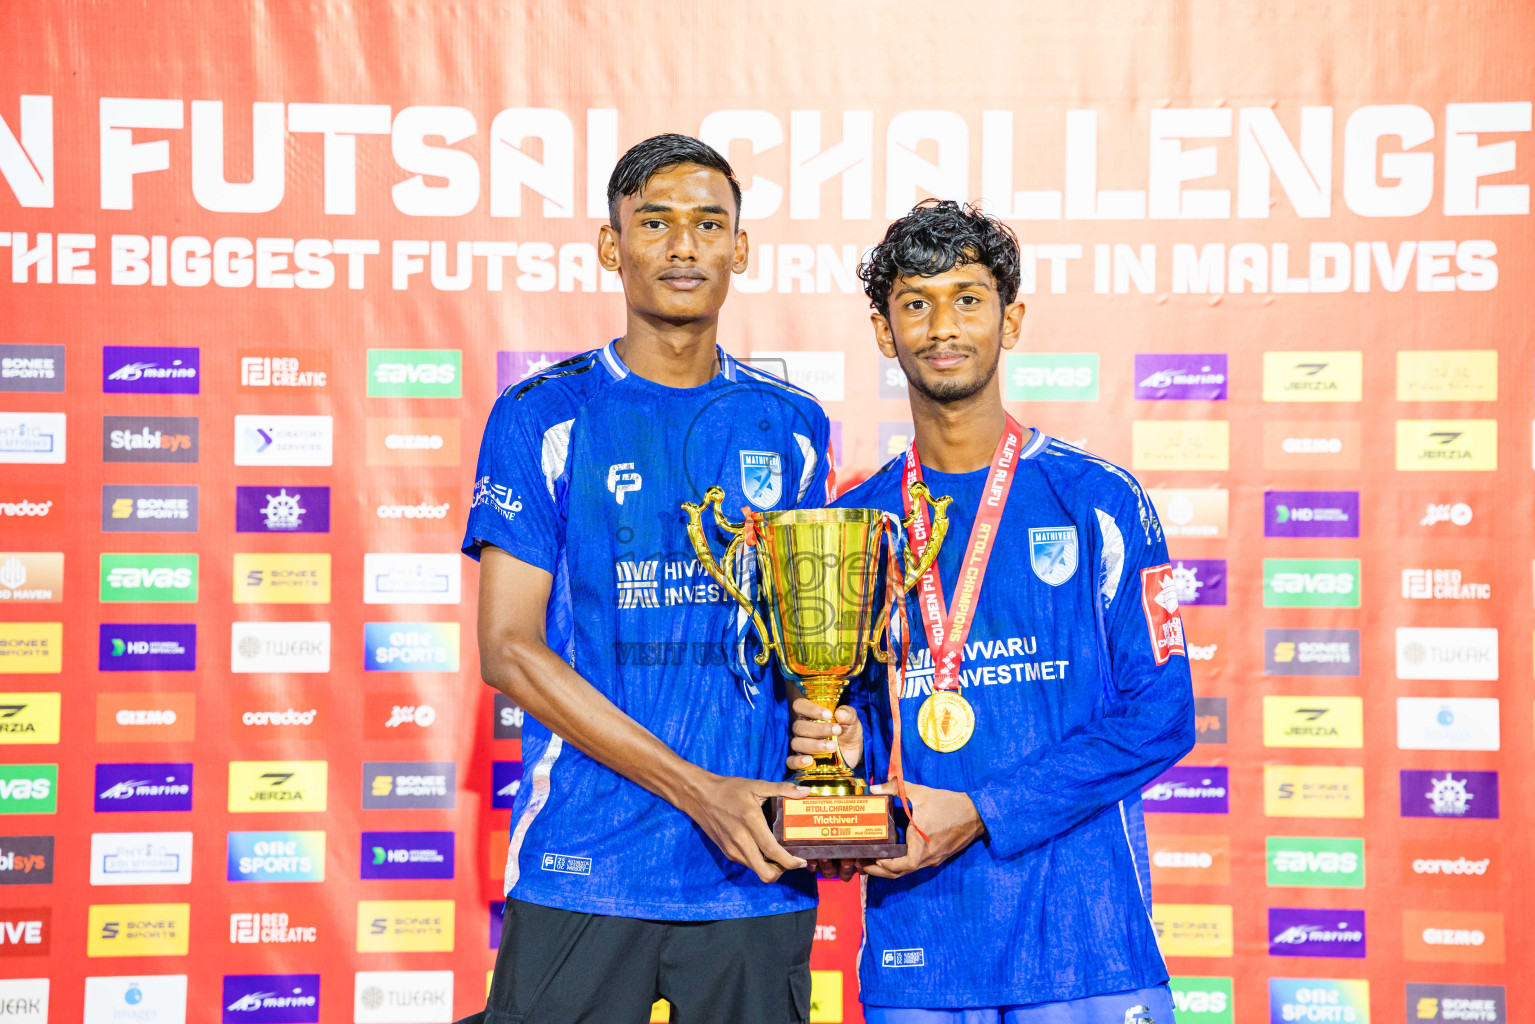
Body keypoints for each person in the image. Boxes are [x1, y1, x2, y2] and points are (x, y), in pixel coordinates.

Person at [790, 200, 1195, 1024]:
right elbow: (864, 712)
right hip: (922, 946)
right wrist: (846, 743)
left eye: (968, 299)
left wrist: (981, 811)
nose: (943, 326)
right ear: (882, 328)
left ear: (1009, 320)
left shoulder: (1097, 500)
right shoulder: (854, 524)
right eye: (916, 302)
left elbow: (1161, 714)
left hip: (1086, 942)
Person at [463, 134, 834, 1024]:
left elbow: (808, 639)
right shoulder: (545, 413)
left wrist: (833, 722)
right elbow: (508, 650)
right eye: (655, 222)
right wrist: (701, 791)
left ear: (738, 249)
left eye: (709, 224)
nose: (682, 246)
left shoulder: (793, 426)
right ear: (610, 245)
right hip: (584, 862)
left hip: (753, 868)